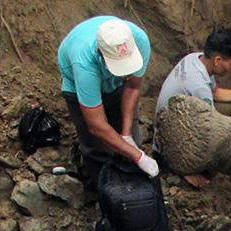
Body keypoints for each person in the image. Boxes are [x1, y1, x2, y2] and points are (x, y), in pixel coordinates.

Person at [156, 27, 231, 188]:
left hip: (173, 121)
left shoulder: (195, 59)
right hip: (171, 144)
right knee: (222, 147)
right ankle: (183, 169)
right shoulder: (198, 86)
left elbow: (215, 93)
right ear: (218, 60)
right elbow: (216, 131)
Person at [58, 16, 159, 197]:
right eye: (121, 68)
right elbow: (96, 125)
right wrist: (139, 157)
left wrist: (126, 136)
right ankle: (105, 196)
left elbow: (132, 86)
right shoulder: (84, 63)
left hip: (115, 85)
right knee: (97, 150)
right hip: (76, 84)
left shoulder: (140, 41)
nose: (126, 74)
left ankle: (134, 195)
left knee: (132, 141)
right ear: (100, 54)